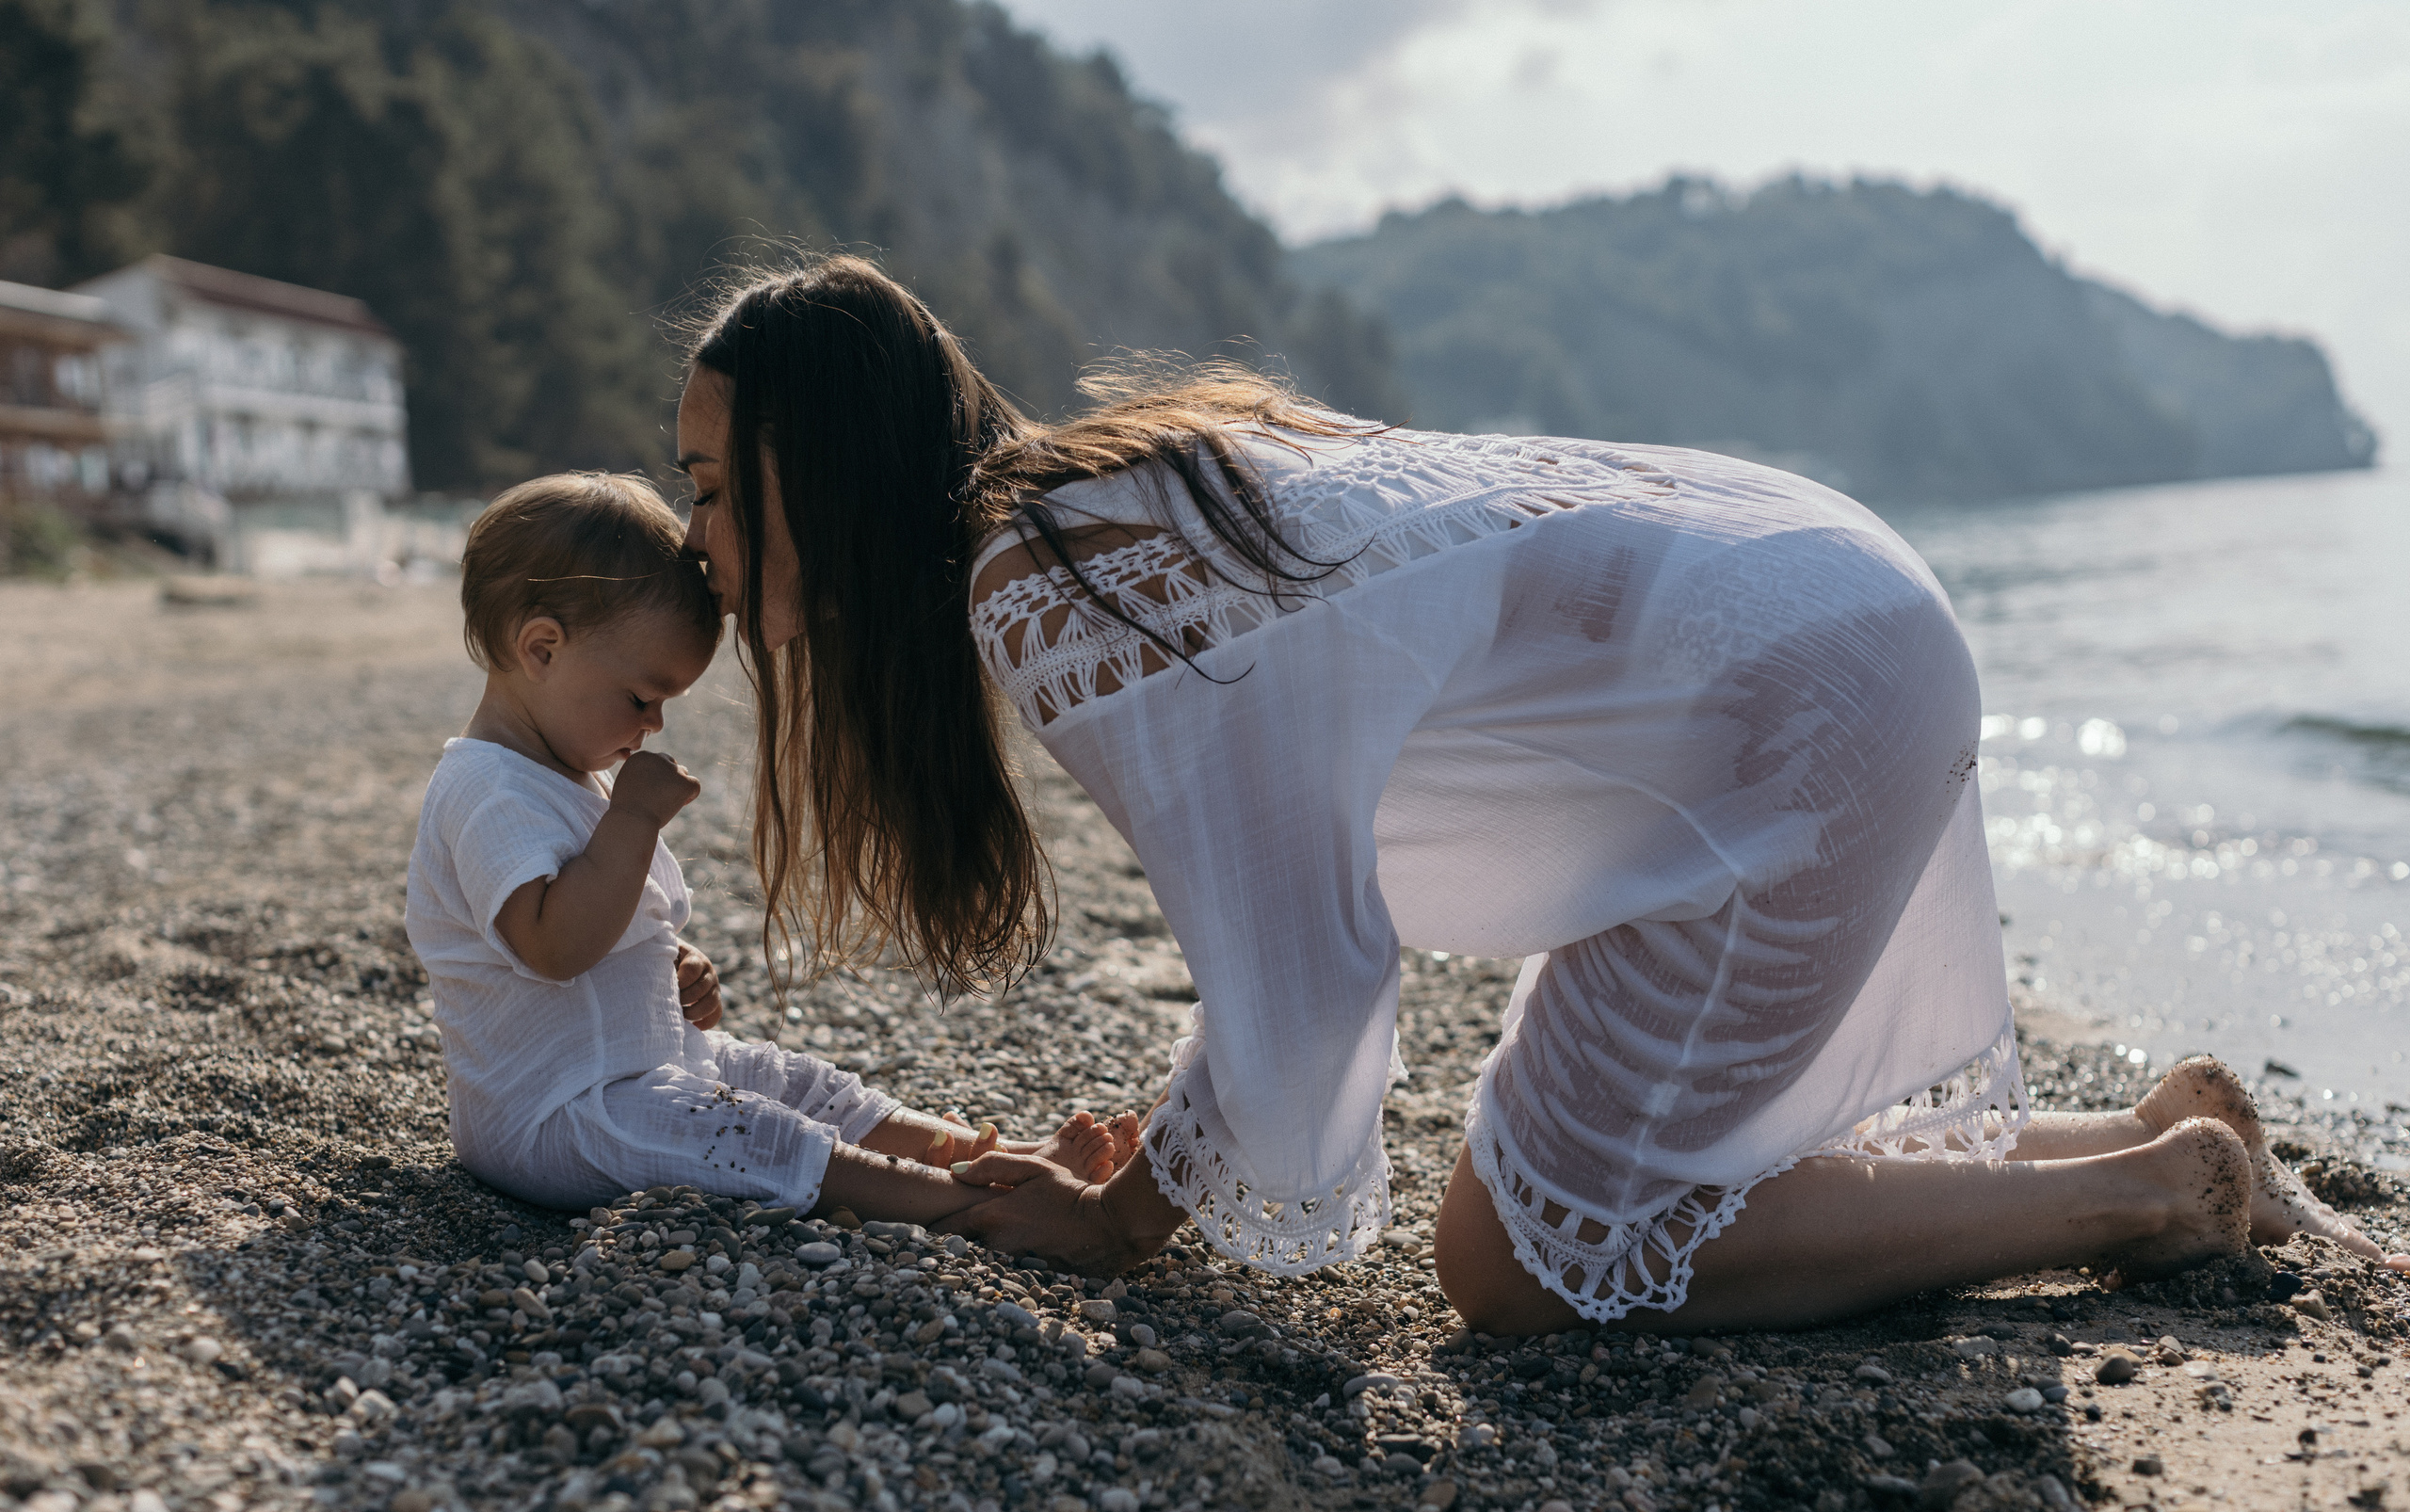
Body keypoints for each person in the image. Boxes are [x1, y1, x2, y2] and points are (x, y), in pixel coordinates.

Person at [671, 257, 2405, 1334]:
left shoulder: (1052, 586)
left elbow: (1307, 968)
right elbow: (1297, 935)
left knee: (1519, 1260)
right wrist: (1164, 1164)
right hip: (1810, 608)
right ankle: (2153, 1134)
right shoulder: (1094, 514)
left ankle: (2156, 1194)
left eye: (711, 487)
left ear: (816, 469)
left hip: (1795, 688)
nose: (698, 543)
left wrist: (1129, 1212)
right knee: (1616, 1181)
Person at [403, 472, 1136, 1224]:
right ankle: (971, 1205)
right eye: (640, 697)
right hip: (555, 1118)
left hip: (632, 1071)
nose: (652, 724)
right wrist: (633, 821)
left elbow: (598, 932)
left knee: (795, 1083)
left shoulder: (562, 772)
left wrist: (668, 965)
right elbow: (552, 945)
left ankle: (979, 1153)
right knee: (755, 1133)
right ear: (542, 649)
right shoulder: (488, 788)